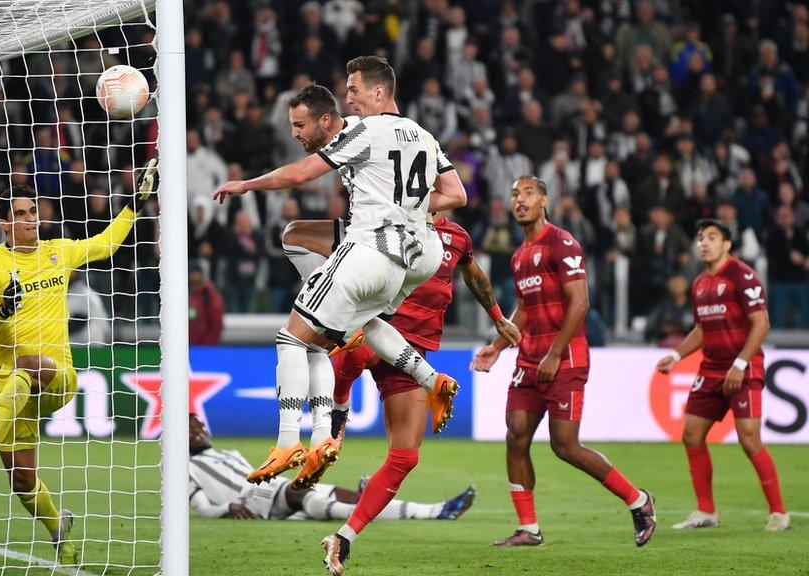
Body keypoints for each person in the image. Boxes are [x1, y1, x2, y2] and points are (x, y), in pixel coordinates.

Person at [213, 58, 467, 514]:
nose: (348, 96)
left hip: (369, 247)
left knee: (292, 337)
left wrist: (245, 185)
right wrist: (408, 207)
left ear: (378, 92)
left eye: (354, 89)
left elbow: (298, 175)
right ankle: (431, 380)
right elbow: (456, 194)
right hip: (414, 255)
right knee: (358, 321)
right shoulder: (424, 136)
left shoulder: (364, 131)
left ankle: (289, 440)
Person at [0, 159, 158, 565]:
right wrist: (3, 308)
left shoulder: (59, 253)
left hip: (56, 378)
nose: (30, 219)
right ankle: (59, 533)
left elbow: (106, 244)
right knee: (21, 481)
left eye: (33, 211)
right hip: (8, 390)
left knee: (32, 362)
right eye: (20, 214)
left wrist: (134, 204)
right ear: (4, 224)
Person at [324, 209, 519, 569]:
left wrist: (498, 318)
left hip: (416, 354)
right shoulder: (384, 221)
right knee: (351, 351)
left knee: (405, 458)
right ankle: (338, 413)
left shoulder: (457, 237)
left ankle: (343, 537)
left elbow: (476, 277)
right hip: (379, 328)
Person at [471, 175, 656, 548]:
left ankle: (638, 500)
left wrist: (555, 352)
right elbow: (523, 309)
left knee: (565, 445)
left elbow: (580, 303)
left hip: (565, 358)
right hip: (529, 358)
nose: (519, 201)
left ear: (544, 199)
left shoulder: (563, 243)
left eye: (527, 194)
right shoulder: (519, 255)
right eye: (514, 195)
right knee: (516, 436)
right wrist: (496, 346)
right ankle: (529, 528)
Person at [655, 219, 790, 532]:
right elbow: (702, 329)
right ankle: (706, 511)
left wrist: (741, 364)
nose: (704, 243)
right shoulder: (700, 283)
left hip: (744, 365)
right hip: (712, 368)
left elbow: (761, 324)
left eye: (712, 237)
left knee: (749, 439)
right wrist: (676, 355)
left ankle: (779, 512)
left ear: (727, 244)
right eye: (701, 238)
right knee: (691, 433)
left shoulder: (743, 276)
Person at [187, 414, 474, 522]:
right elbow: (200, 506)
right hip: (249, 500)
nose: (198, 432)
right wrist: (228, 508)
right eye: (190, 430)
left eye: (198, 426)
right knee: (302, 493)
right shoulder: (185, 468)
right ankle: (425, 514)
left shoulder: (230, 452)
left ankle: (437, 511)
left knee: (354, 496)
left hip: (270, 492)